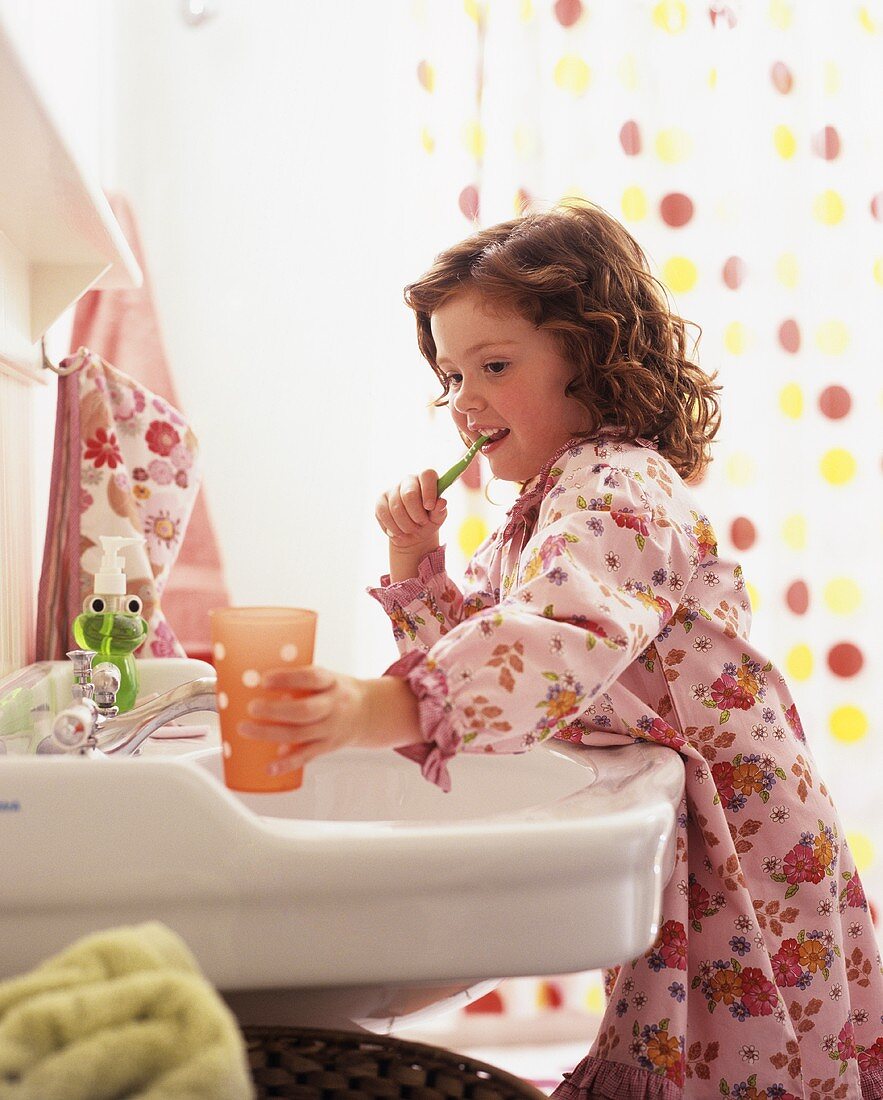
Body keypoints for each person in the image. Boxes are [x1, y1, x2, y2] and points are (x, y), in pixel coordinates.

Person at [239, 201, 883, 1099]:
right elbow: (502, 661)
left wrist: (368, 709)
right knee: (692, 1046)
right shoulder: (542, 507)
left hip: (745, 831)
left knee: (744, 1057)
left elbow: (556, 641)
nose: (463, 401)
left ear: (593, 357)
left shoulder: (618, 484)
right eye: (450, 375)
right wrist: (416, 565)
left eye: (493, 367)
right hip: (696, 814)